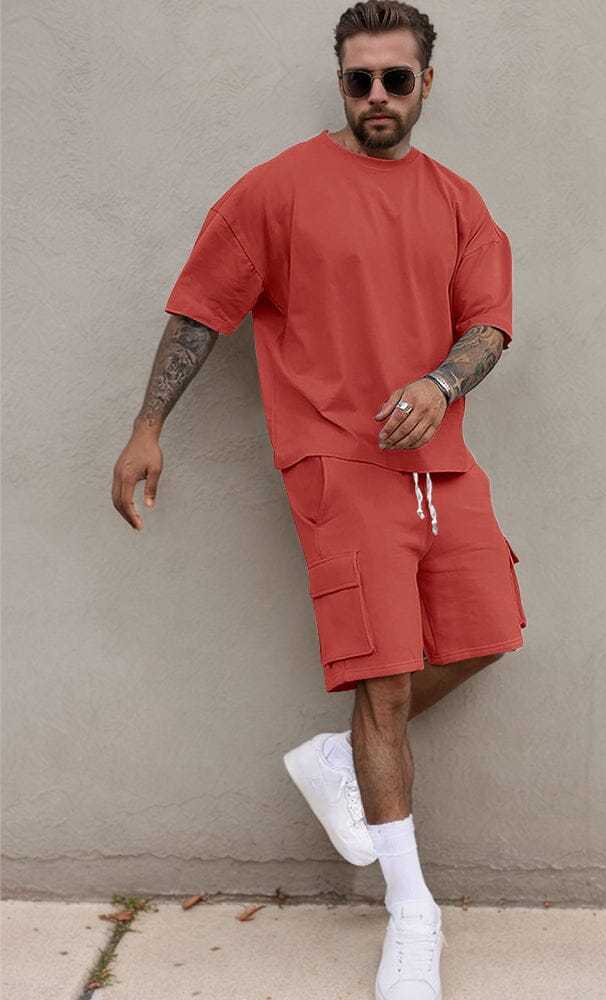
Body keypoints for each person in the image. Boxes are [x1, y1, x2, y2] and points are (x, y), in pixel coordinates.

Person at [111, 2, 526, 996]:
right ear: (341, 82)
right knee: (383, 680)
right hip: (336, 465)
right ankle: (412, 913)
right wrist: (147, 426)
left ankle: (340, 760)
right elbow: (200, 308)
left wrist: (441, 383)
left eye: (395, 78)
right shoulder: (279, 190)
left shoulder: (460, 202)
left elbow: (489, 325)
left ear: (427, 84)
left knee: (486, 636)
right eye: (359, 79)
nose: (377, 96)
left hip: (441, 466)